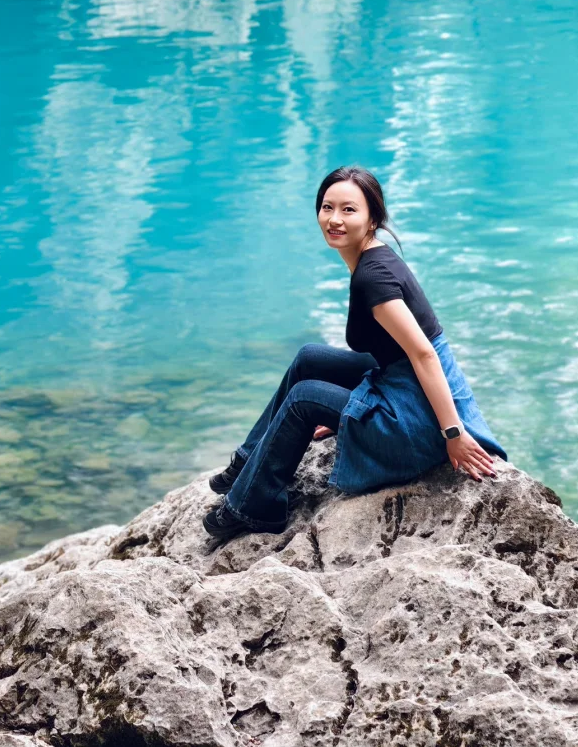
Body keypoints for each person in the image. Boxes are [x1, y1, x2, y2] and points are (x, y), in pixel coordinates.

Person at [203, 165, 507, 545]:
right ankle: (248, 463)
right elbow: (398, 355)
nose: (334, 219)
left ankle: (256, 506)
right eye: (327, 207)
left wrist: (453, 433)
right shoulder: (373, 259)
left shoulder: (373, 277)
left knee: (303, 399)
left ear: (372, 218)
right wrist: (346, 409)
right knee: (309, 358)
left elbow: (425, 354)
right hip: (404, 387)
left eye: (349, 210)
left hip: (417, 419)